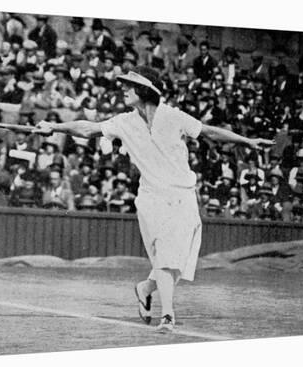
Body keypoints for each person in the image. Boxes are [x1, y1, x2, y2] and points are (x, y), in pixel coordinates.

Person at [33, 66, 274, 332]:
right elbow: (88, 129)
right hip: (151, 198)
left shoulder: (173, 117)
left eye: (129, 85)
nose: (123, 90)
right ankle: (168, 315)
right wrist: (54, 126)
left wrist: (247, 141)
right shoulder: (123, 122)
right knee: (166, 256)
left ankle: (146, 288)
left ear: (145, 90)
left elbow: (210, 132)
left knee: (176, 263)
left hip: (183, 196)